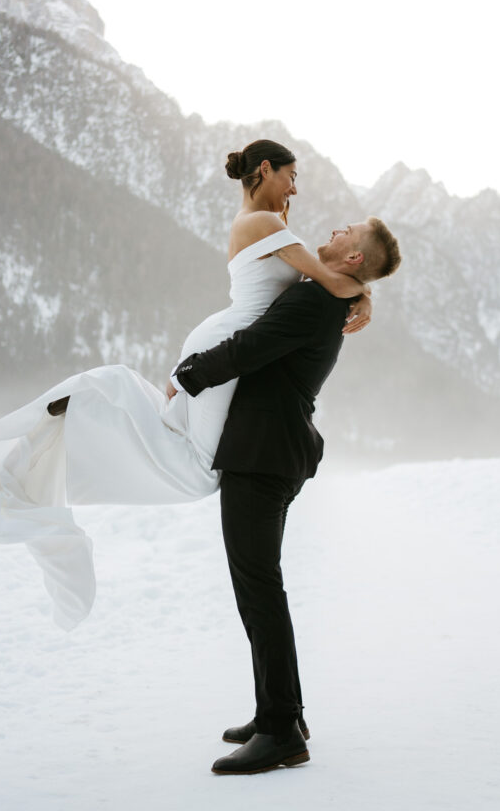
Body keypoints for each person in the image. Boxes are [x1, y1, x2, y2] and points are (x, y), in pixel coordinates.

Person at [0, 140, 372, 630]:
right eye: (292, 176)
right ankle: (66, 430)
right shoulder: (264, 224)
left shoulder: (266, 224)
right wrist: (365, 296)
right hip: (224, 351)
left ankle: (85, 416)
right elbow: (329, 276)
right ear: (265, 169)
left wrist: (359, 294)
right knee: (199, 468)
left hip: (222, 347)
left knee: (183, 446)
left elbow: (325, 279)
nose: (296, 189)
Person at [170, 217, 402, 775]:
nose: (337, 225)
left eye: (349, 229)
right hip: (273, 451)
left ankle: (280, 730)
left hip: (264, 455)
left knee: (259, 589)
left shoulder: (315, 303)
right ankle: (281, 714)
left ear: (352, 259)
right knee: (259, 588)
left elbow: (251, 348)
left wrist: (189, 374)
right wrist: (365, 293)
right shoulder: (328, 294)